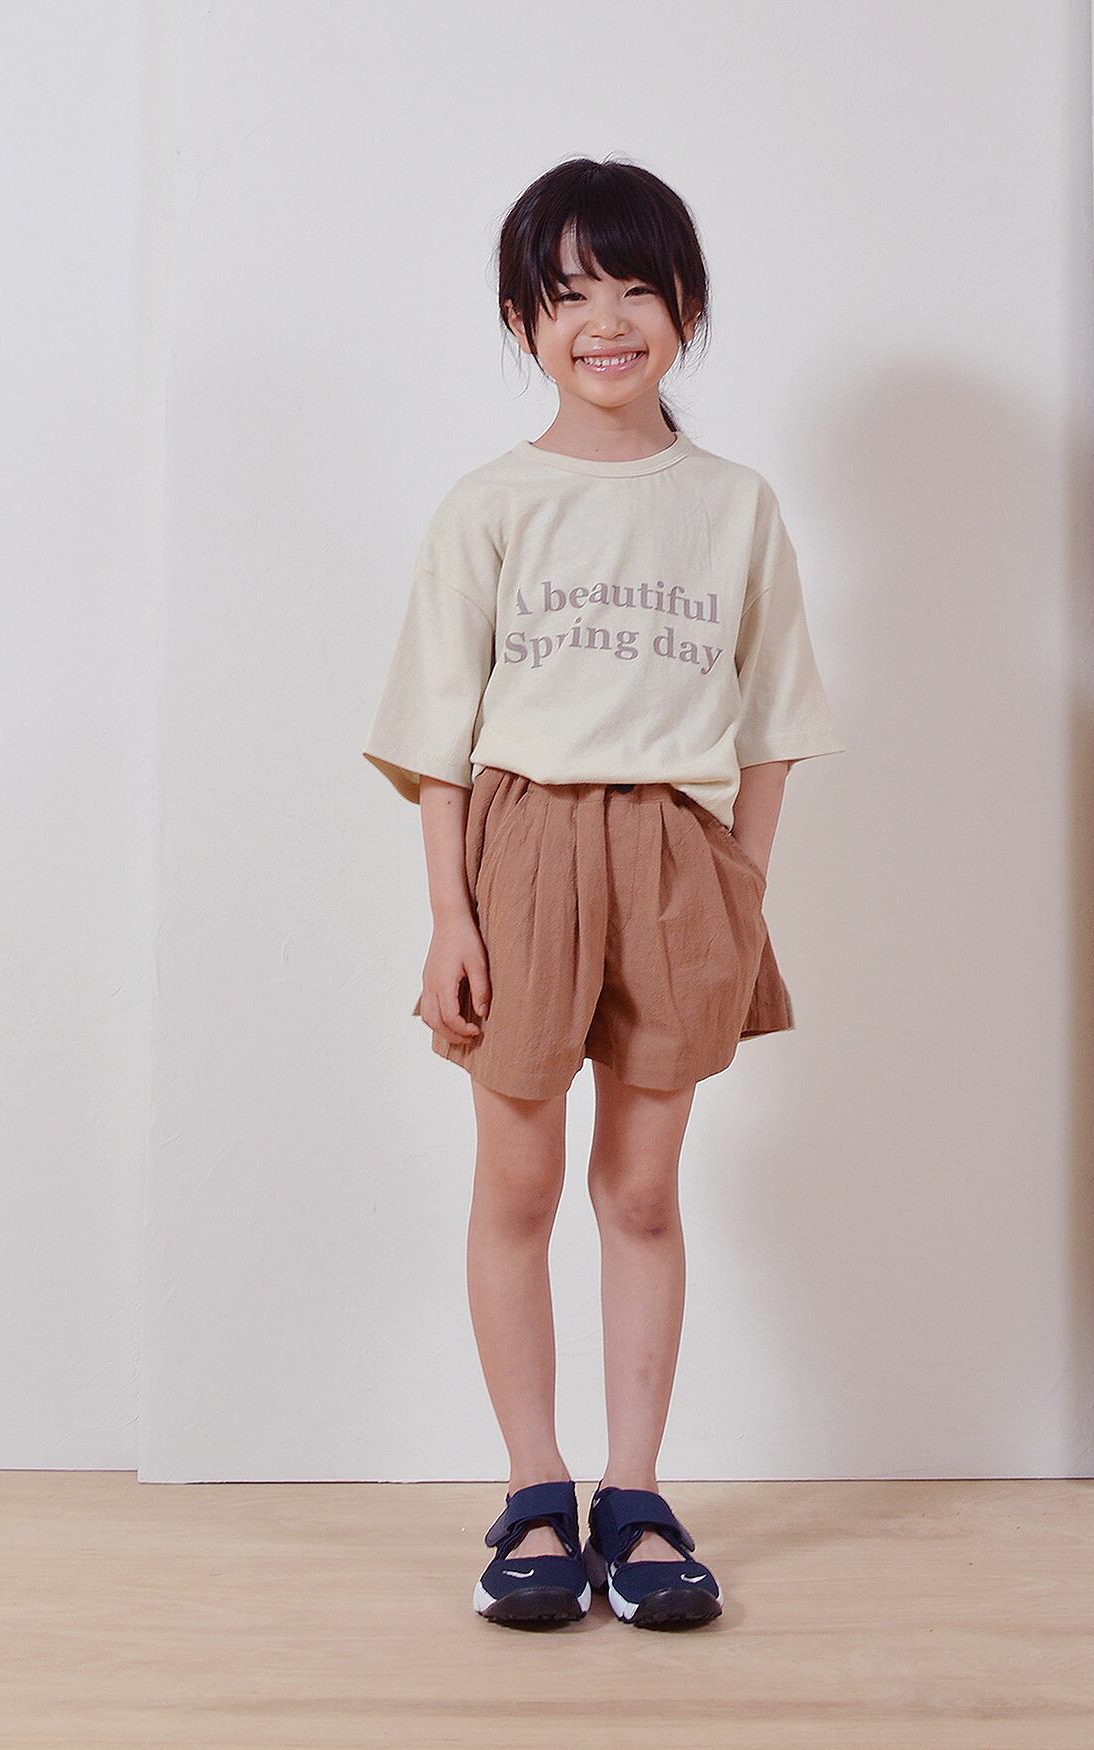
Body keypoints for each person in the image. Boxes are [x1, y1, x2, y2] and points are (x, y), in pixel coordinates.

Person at [362, 156, 845, 1630]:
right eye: (570, 295)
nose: (607, 322)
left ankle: (635, 1498)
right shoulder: (491, 504)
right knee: (516, 1183)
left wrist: (739, 887)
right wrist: (451, 915)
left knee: (638, 1190)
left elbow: (771, 722)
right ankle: (534, 1489)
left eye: (637, 288)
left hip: (678, 858)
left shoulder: (735, 505)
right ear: (524, 322)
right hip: (522, 851)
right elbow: (439, 737)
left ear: (686, 305)